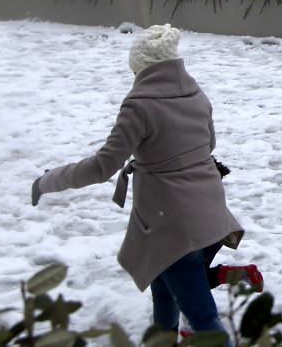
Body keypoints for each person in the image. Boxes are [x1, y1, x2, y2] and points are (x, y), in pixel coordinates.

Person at [31, 24, 256, 337]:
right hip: (211, 214)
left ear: (139, 65)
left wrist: (48, 181)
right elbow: (209, 146)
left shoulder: (138, 105)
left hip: (175, 226)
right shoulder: (196, 94)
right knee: (163, 287)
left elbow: (101, 167)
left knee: (203, 320)